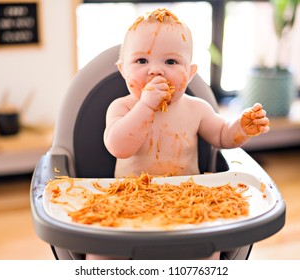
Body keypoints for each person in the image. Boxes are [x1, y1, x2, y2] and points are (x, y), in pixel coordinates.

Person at [94, 7, 269, 260]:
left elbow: (222, 135)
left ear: (189, 72)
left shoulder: (197, 109)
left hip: (188, 203)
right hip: (129, 204)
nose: (156, 70)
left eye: (171, 62)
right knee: (98, 254)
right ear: (123, 70)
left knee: (209, 251)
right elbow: (119, 147)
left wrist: (241, 128)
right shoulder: (122, 107)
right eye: (141, 61)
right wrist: (145, 106)